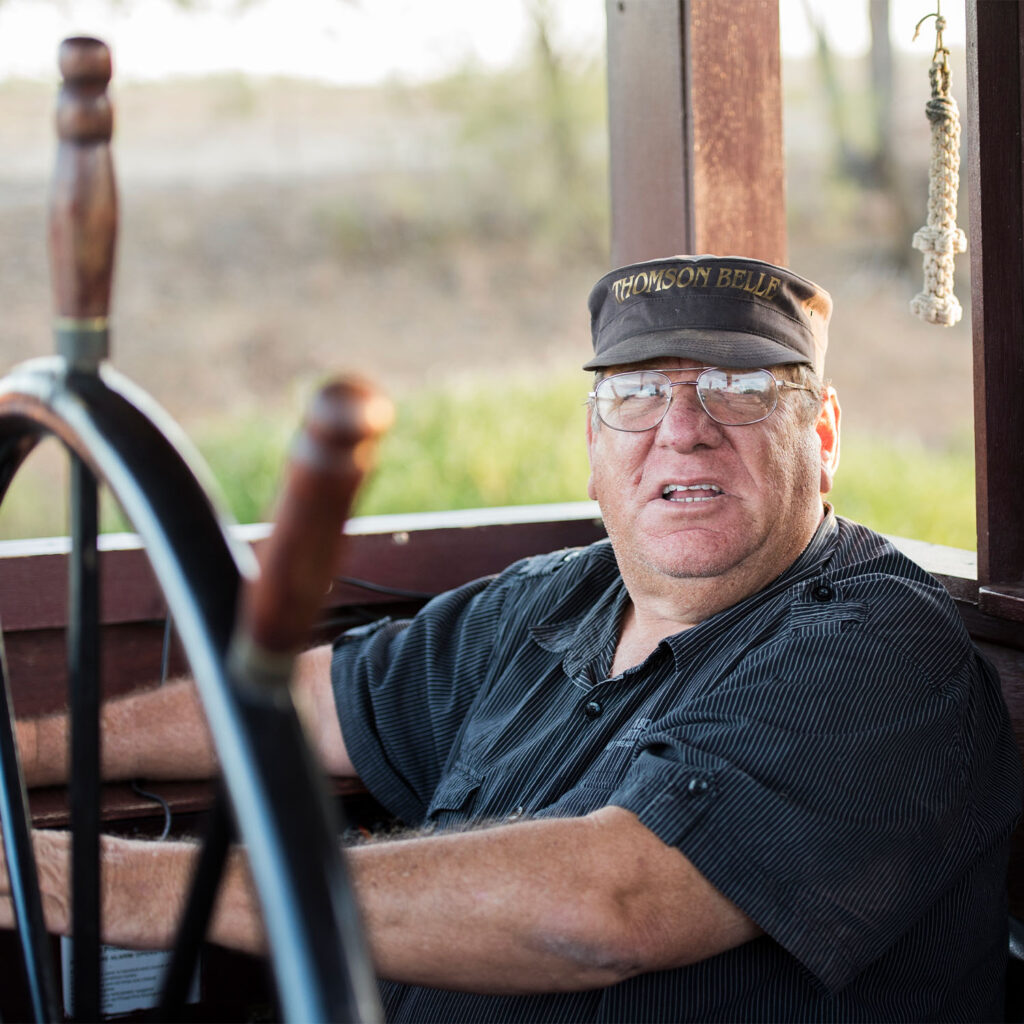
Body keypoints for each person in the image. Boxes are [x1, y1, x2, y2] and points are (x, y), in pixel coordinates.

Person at [3, 253, 1022, 1021]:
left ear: (825, 434)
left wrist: (73, 880)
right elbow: (294, 703)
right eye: (635, 393)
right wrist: (24, 754)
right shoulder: (550, 600)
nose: (683, 427)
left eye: (742, 391)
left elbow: (610, 903)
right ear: (593, 445)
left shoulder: (879, 650)